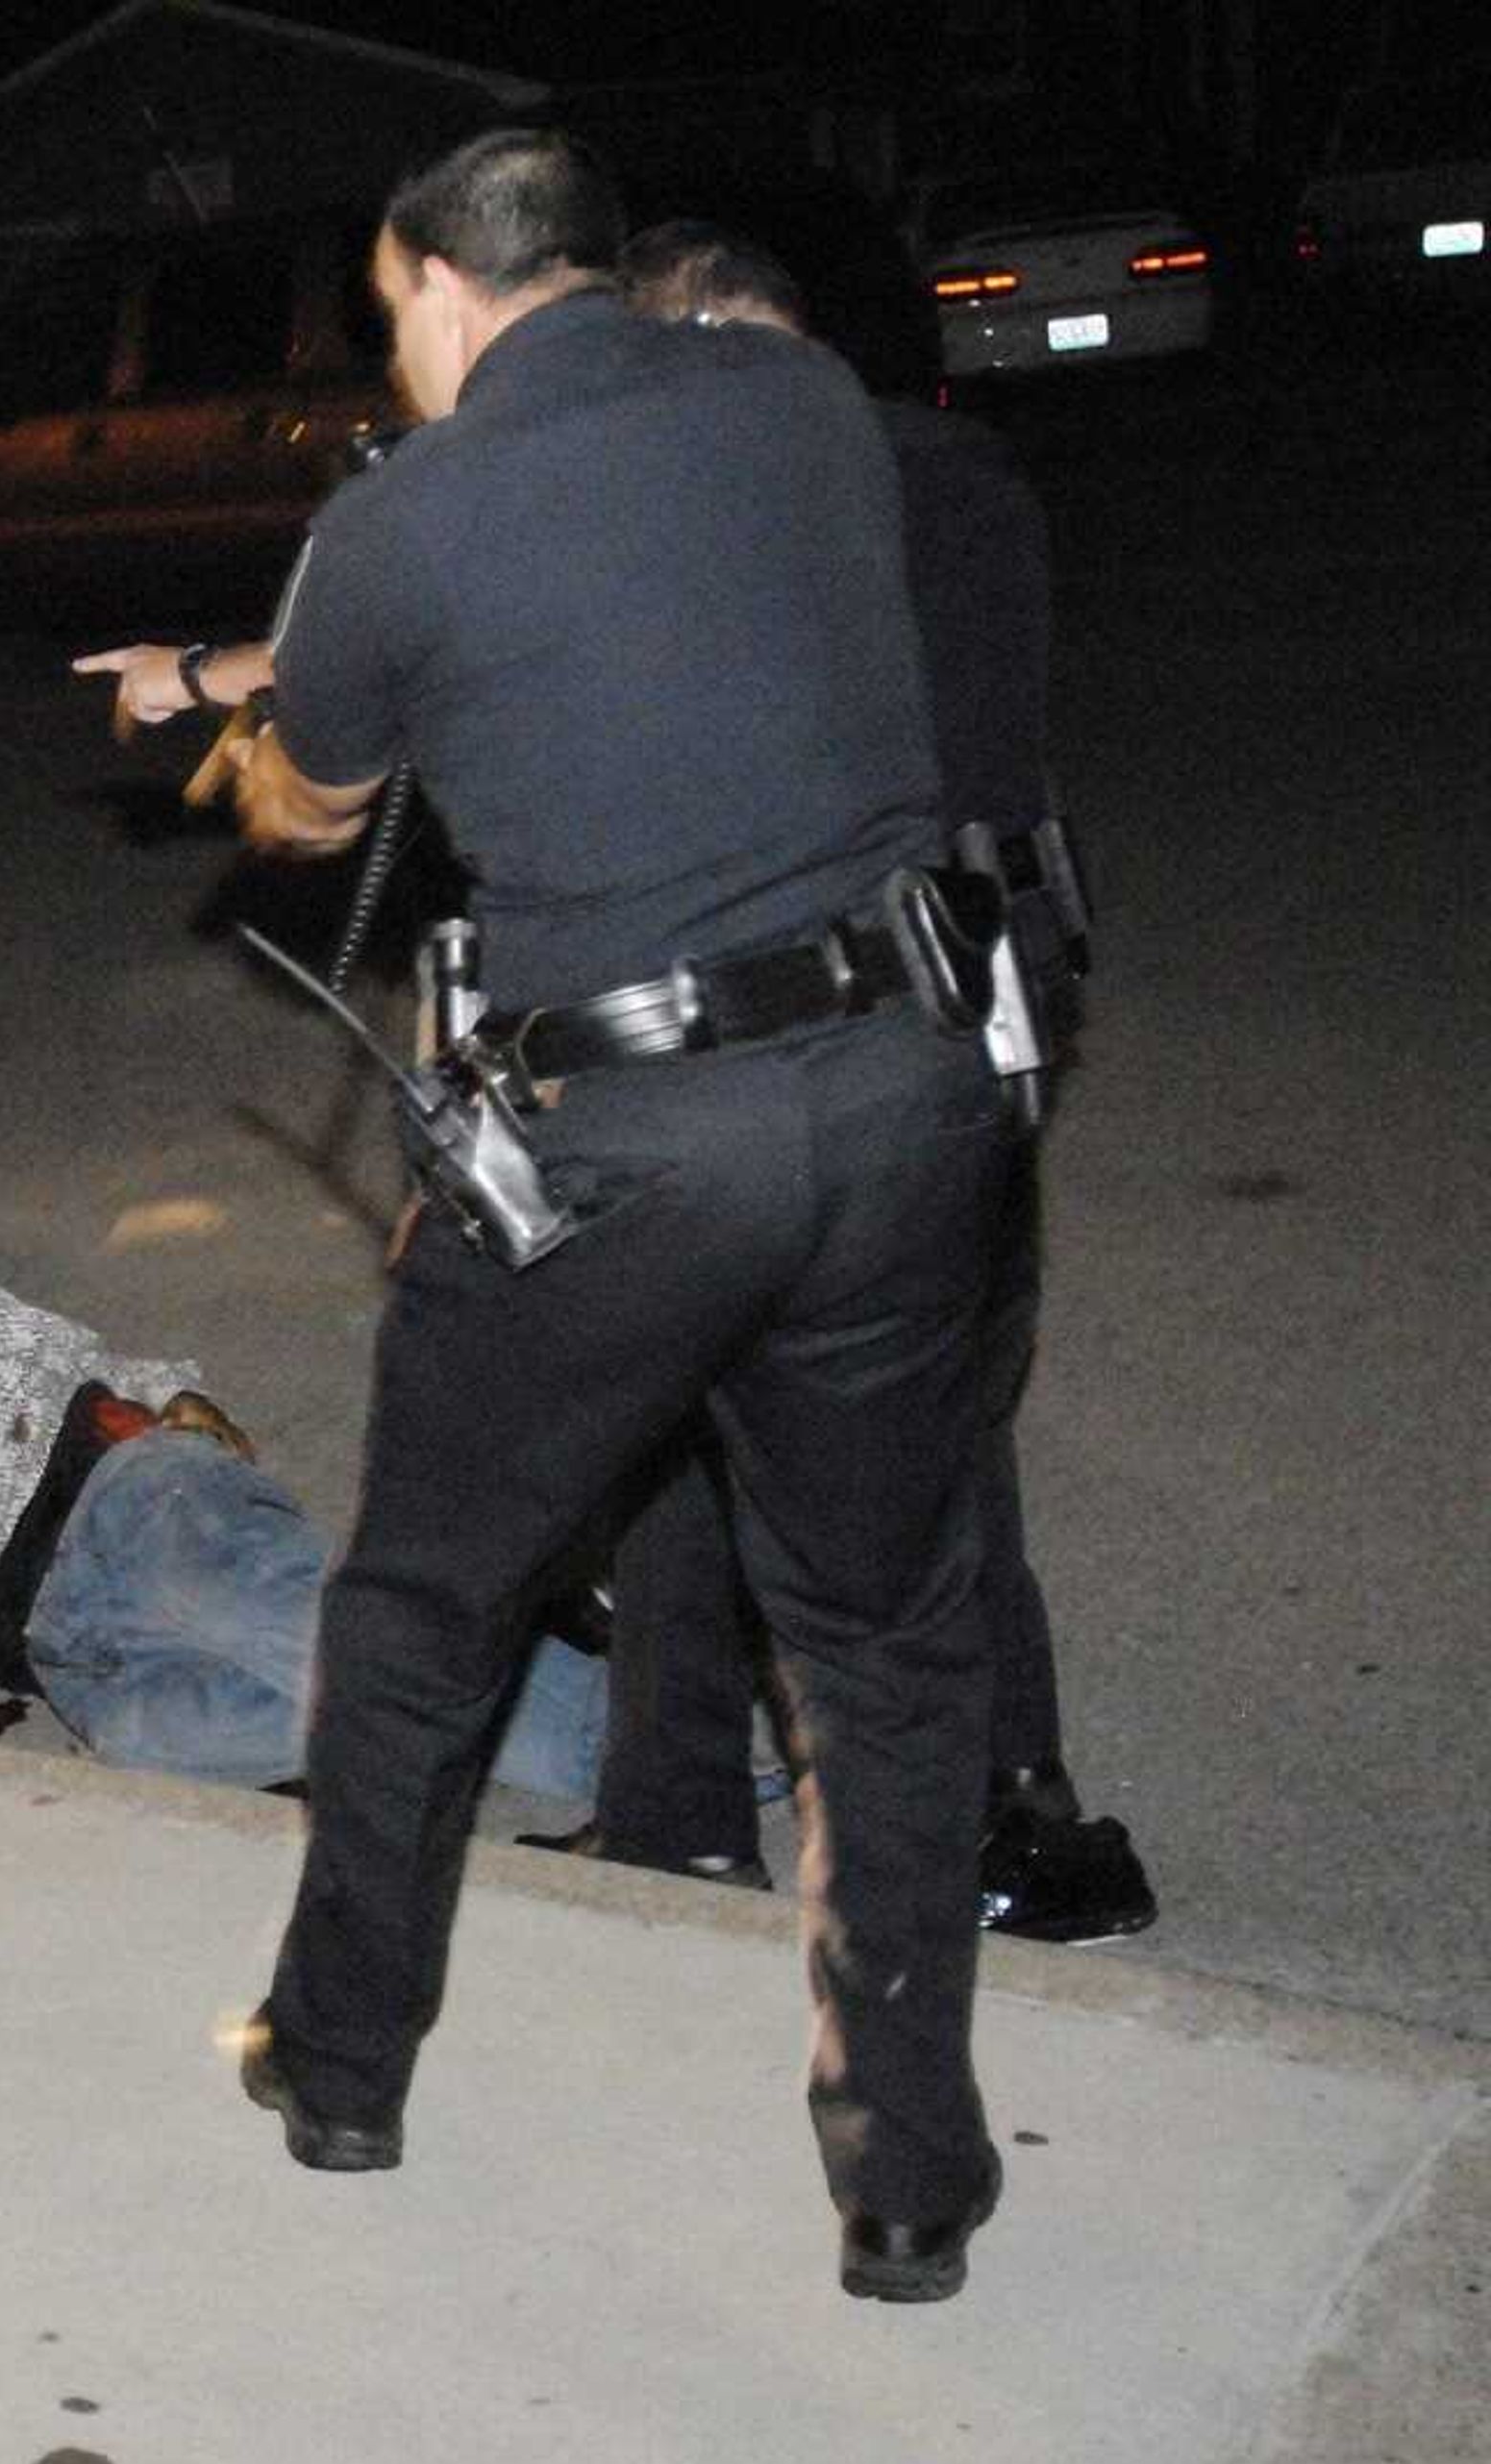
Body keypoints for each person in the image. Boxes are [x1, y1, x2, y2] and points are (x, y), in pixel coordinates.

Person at [79, 130, 1016, 2302]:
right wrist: (244, 662)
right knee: (880, 1648)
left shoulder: (395, 521)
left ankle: (336, 2068)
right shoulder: (791, 405)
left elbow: (312, 812)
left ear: (431, 285)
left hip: (624, 1148)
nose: (386, 356)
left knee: (424, 1609)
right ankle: (905, 2185)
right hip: (899, 1087)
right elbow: (637, 618)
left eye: (385, 316)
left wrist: (226, 742)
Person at [530, 219, 1156, 1948]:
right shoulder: (947, 469)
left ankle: (976, 1820)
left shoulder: (765, 507)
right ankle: (704, 1817)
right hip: (977, 1019)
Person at [0, 1179, 608, 1802]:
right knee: (168, 1738)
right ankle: (523, 1677)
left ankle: (641, 1753)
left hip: (119, 1504)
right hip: (60, 1651)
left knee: (339, 1653)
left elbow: (58, 1346)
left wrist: (168, 1390)